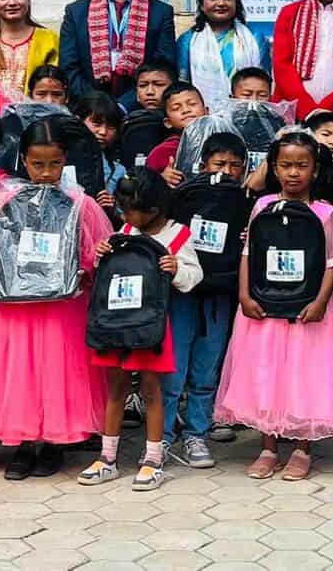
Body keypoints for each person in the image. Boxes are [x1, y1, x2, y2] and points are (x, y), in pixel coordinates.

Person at [0, 119, 114, 480]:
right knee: (20, 370)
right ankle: (24, 444)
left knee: (56, 369)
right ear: (23, 160)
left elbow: (96, 251)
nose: (45, 172)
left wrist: (83, 267)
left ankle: (53, 444)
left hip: (62, 305)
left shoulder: (79, 203)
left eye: (54, 164)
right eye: (37, 164)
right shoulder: (8, 199)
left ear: (64, 161)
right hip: (15, 305)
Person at [213, 133, 333, 479]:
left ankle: (303, 448)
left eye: (301, 165)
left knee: (306, 375)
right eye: (285, 165)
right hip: (264, 306)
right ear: (273, 168)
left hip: (310, 311)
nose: (293, 173)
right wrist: (244, 295)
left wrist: (320, 301)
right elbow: (249, 253)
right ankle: (268, 446)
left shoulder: (326, 213)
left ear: (315, 170)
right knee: (266, 374)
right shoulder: (262, 207)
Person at [80, 171, 203, 491]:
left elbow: (194, 275)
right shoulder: (124, 231)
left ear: (153, 210)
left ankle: (153, 459)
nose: (124, 216)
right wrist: (101, 254)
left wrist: (177, 269)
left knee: (152, 390)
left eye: (129, 210)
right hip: (117, 324)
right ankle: (107, 458)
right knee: (116, 389)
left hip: (151, 329)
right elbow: (103, 272)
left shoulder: (179, 236)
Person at [160, 134, 246, 468]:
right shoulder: (181, 196)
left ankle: (196, 434)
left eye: (235, 166)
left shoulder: (245, 201)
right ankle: (163, 436)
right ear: (202, 164)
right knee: (173, 367)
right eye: (219, 164)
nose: (226, 171)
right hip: (181, 293)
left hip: (218, 295)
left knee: (206, 368)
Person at [59, 0, 178, 111]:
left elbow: (163, 66)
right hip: (87, 112)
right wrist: (96, 105)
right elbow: (68, 68)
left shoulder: (161, 12)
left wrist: (123, 106)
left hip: (141, 111)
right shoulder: (76, 12)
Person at [179, 0, 271, 112]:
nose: (221, 3)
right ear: (202, 5)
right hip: (202, 117)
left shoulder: (255, 38)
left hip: (249, 115)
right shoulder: (188, 40)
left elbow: (263, 82)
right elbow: (183, 84)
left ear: (236, 3)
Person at [73, 91, 127, 214]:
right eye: (96, 124)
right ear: (78, 121)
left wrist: (113, 207)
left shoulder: (118, 171)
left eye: (111, 127)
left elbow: (125, 212)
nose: (103, 132)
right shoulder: (60, 158)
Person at [145, 83, 209, 182]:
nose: (186, 110)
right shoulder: (161, 153)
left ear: (206, 111)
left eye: (192, 104)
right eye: (176, 108)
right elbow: (146, 186)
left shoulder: (219, 141)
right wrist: (161, 178)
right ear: (168, 122)